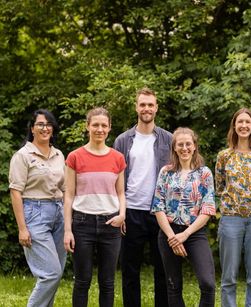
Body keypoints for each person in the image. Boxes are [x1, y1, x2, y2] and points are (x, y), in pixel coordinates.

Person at [113, 87, 171, 307]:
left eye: (150, 105)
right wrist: (120, 212)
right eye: (142, 104)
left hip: (160, 213)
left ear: (156, 108)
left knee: (163, 270)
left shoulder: (169, 139)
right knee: (130, 270)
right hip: (131, 212)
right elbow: (115, 179)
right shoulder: (123, 140)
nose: (146, 108)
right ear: (136, 107)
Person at [63, 107, 126, 307]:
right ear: (87, 126)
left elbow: (121, 193)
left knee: (107, 282)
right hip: (82, 223)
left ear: (109, 128)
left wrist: (122, 215)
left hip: (111, 223)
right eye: (95, 125)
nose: (100, 129)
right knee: (82, 281)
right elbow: (69, 194)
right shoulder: (75, 157)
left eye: (104, 125)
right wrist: (67, 230)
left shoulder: (117, 158)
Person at [151, 127, 216, 307]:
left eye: (188, 144)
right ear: (174, 148)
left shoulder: (204, 173)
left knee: (208, 283)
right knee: (173, 285)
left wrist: (185, 235)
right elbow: (158, 206)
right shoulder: (166, 172)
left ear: (195, 146)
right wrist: (173, 237)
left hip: (194, 233)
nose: (184, 148)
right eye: (180, 144)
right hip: (168, 234)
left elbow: (208, 209)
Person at [9, 109, 66, 307]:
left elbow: (65, 188)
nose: (45, 128)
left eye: (48, 124)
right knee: (51, 274)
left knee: (56, 273)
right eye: (40, 124)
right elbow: (16, 192)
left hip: (59, 214)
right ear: (32, 128)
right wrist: (22, 228)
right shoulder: (23, 155)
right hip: (35, 213)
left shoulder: (58, 154)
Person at [215, 108, 251, 307]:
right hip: (231, 219)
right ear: (234, 126)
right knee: (228, 277)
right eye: (240, 122)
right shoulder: (224, 156)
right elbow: (220, 186)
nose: (244, 125)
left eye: (248, 122)